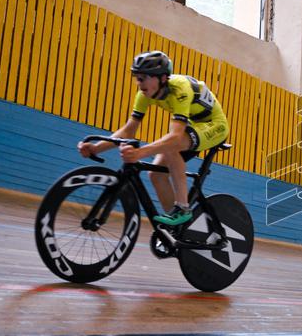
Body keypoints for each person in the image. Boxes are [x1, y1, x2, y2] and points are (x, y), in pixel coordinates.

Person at [77, 50, 228, 226]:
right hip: (195, 124)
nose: (139, 83)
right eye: (137, 77)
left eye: (143, 78)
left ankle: (183, 208)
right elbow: (128, 130)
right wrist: (96, 148)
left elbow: (175, 137)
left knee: (171, 145)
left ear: (163, 78)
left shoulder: (180, 90)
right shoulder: (144, 95)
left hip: (216, 125)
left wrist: (140, 153)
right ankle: (177, 228)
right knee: (155, 173)